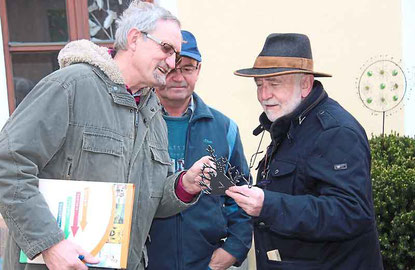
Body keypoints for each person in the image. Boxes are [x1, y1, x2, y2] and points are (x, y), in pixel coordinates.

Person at [0, 2, 212, 270]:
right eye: (166, 49)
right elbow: (8, 164)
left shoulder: (152, 111)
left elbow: (146, 202)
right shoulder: (71, 86)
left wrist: (184, 185)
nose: (172, 63)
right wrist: (50, 244)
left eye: (177, 56)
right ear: (134, 38)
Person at [226, 33, 384, 269]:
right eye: (259, 84)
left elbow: (351, 213)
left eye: (274, 83)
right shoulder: (290, 124)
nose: (263, 95)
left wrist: (268, 205)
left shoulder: (335, 132)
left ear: (305, 84)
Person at [147, 30, 252, 270]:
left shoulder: (224, 128)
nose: (178, 77)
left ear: (199, 70)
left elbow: (242, 196)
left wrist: (233, 250)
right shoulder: (136, 123)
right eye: (171, 68)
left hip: (207, 262)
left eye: (187, 68)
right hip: (146, 260)